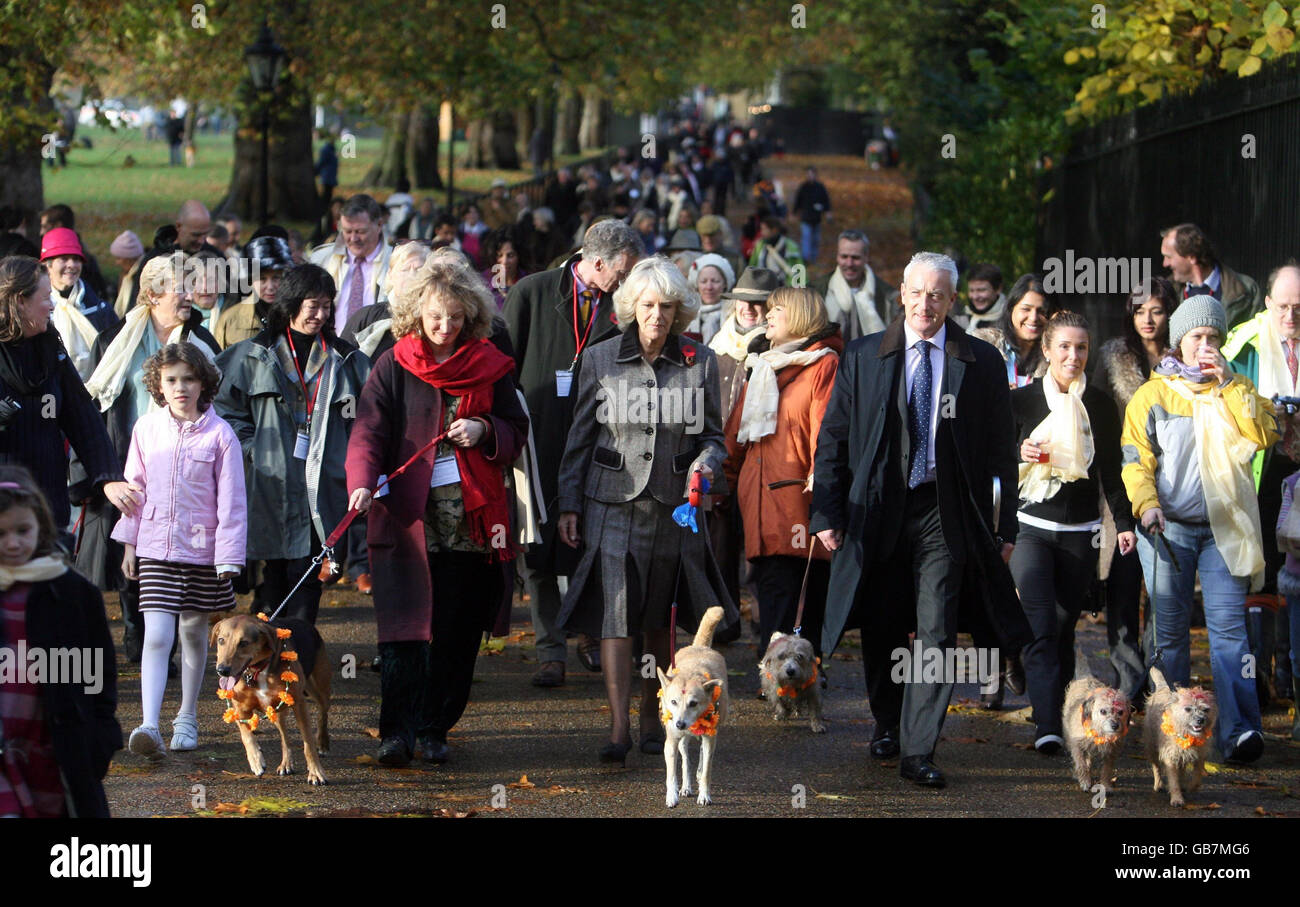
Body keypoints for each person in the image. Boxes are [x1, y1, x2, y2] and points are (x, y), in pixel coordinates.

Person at [811, 251, 1029, 789]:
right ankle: (887, 724)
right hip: (879, 507)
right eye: (916, 292)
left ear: (952, 301)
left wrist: (1006, 528)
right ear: (901, 295)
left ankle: (918, 748)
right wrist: (826, 512)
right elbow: (833, 440)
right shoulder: (864, 356)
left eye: (937, 295)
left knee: (935, 631)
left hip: (944, 511)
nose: (925, 304)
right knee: (883, 622)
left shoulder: (978, 360)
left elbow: (1004, 450)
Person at [345, 250, 528, 766]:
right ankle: (396, 733)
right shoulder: (394, 363)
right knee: (404, 629)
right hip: (408, 520)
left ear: (470, 315)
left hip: (472, 521)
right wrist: (361, 482)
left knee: (457, 628)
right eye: (434, 317)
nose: (444, 327)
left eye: (453, 317)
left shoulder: (491, 365)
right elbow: (369, 430)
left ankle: (434, 726)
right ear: (416, 316)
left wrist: (485, 430)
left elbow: (517, 429)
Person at [554, 255, 737, 762]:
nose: (657, 315)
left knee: (659, 619)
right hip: (609, 503)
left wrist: (704, 464)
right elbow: (579, 440)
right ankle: (617, 731)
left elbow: (714, 439)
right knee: (615, 617)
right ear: (631, 308)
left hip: (675, 506)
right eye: (648, 305)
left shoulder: (699, 360)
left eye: (667, 306)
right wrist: (568, 503)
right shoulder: (600, 359)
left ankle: (655, 718)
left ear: (680, 311)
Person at [1121, 295, 1277, 764]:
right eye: (1196, 337)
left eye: (1213, 337)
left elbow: (1264, 433)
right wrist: (1146, 506)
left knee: (1230, 634)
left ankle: (1240, 733)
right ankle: (1173, 733)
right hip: (1166, 530)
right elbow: (1135, 460)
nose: (1205, 345)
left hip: (1223, 532)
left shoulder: (1238, 389)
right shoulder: (1152, 394)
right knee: (1169, 637)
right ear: (1179, 343)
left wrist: (1229, 383)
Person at [503, 218, 642, 687]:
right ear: (596, 262)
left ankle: (588, 633)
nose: (626, 281)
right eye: (621, 272)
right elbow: (505, 364)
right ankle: (549, 649)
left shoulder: (622, 304)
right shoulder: (531, 292)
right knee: (538, 548)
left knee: (595, 540)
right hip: (538, 441)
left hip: (600, 441)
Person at [78, 252, 221, 661]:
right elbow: (94, 404)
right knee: (128, 547)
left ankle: (168, 644)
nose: (189, 295)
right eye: (181, 287)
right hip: (123, 458)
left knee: (173, 553)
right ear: (154, 293)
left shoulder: (202, 343)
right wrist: (100, 471)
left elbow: (216, 407)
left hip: (183, 464)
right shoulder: (114, 339)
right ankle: (133, 631)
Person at [215, 264, 370, 625]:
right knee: (271, 578)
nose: (320, 315)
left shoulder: (346, 360)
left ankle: (297, 658)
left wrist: (349, 462)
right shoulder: (251, 355)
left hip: (323, 486)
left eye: (327, 306)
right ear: (290, 304)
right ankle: (263, 664)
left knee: (308, 575)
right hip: (267, 484)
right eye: (312, 305)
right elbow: (223, 412)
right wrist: (252, 448)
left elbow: (369, 422)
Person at [112, 343, 245, 758]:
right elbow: (134, 489)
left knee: (192, 632)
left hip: (203, 552)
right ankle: (148, 723)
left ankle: (187, 715)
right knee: (156, 635)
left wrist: (228, 556)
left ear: (203, 382)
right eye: (171, 380)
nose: (180, 387)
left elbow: (232, 501)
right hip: (154, 548)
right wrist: (130, 543)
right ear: (158, 384)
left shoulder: (221, 435)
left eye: (188, 378)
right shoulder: (146, 429)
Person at [1010, 311, 1134, 753]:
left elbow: (1111, 471)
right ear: (1046, 350)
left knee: (1064, 628)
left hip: (1081, 533)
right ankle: (1047, 727)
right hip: (1031, 530)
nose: (1073, 355)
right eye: (1064, 346)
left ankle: (1061, 710)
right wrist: (1015, 450)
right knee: (1041, 628)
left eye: (1081, 347)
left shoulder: (1098, 404)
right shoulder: (1022, 401)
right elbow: (994, 462)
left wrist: (1124, 524)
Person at [724, 287, 841, 658]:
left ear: (802, 316)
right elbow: (736, 435)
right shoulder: (762, 365)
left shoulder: (825, 365)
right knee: (772, 595)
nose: (767, 315)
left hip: (797, 505)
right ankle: (775, 682)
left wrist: (824, 496)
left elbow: (826, 437)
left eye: (777, 310)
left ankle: (796, 685)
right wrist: (718, 482)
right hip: (757, 502)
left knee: (798, 601)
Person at [0, 466, 121, 817]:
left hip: (54, 747)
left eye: (22, 530)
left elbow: (97, 671)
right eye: (1, 533)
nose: (12, 542)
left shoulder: (70, 591)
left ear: (40, 525)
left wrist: (101, 737)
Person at [1093, 277, 1180, 703]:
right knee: (1124, 583)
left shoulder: (1184, 357)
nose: (1147, 318)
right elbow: (1095, 415)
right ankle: (1126, 679)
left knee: (1163, 586)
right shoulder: (1112, 356)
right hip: (1124, 483)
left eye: (1157, 310)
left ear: (1170, 312)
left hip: (1175, 484)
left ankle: (1159, 677)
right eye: (1139, 309)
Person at [0, 257, 122, 541]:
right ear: (20, 301)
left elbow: (83, 418)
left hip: (47, 506)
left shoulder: (50, 349)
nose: (53, 305)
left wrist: (107, 477)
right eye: (46, 298)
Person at [708, 267, 777, 617]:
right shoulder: (715, 348)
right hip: (720, 458)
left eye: (757, 303)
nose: (748, 309)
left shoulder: (778, 350)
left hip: (760, 462)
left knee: (758, 553)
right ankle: (725, 620)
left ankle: (766, 627)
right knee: (720, 549)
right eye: (742, 301)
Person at [39, 227, 118, 379]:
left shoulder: (100, 310)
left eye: (76, 259)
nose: (71, 265)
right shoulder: (37, 310)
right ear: (47, 266)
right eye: (63, 258)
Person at [309, 194, 393, 336]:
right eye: (347, 231)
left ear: (379, 225)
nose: (353, 239)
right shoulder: (321, 260)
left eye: (360, 231)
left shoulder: (397, 263)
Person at [1160, 222, 1261, 330]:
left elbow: (1258, 335)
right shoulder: (1166, 291)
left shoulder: (1246, 288)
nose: (1165, 264)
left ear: (1191, 256)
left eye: (1168, 257)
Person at [971, 273, 1053, 387]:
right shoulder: (982, 347)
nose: (1033, 318)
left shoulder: (1054, 358)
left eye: (1042, 311)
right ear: (1011, 308)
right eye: (1026, 309)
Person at [214, 236, 294, 348]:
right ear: (250, 280)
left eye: (276, 278)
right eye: (262, 279)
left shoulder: (296, 316)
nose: (270, 287)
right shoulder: (230, 320)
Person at [817, 230, 890, 342]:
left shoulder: (887, 296)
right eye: (844, 257)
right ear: (837, 256)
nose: (849, 263)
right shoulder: (819, 291)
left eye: (855, 258)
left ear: (866, 257)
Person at [685, 253, 735, 343]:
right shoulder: (687, 313)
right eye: (703, 281)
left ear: (725, 284)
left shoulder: (733, 313)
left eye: (715, 281)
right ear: (697, 284)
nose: (709, 287)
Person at [791, 166, 832, 264]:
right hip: (806, 218)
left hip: (816, 218)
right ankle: (806, 258)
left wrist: (827, 212)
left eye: (812, 174)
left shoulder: (820, 187)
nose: (810, 176)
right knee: (806, 238)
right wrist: (794, 213)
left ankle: (813, 258)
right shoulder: (803, 187)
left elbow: (826, 201)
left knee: (815, 239)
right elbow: (798, 201)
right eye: (808, 174)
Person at [480, 227, 526, 311]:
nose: (504, 261)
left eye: (510, 255)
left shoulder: (528, 283)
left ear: (519, 256)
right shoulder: (482, 283)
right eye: (499, 255)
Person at [747, 216, 803, 284]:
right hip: (762, 285)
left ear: (774, 230)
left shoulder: (790, 246)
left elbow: (799, 269)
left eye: (764, 229)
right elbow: (752, 266)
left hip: (784, 288)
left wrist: (798, 287)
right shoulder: (760, 245)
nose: (762, 232)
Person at [958, 262, 1007, 332]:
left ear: (998, 289)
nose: (975, 297)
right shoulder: (961, 318)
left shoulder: (1009, 322)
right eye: (971, 290)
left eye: (981, 290)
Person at [109, 230, 145, 320]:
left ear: (129, 258)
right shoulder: (126, 276)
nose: (116, 263)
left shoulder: (142, 277)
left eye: (118, 258)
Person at [315, 132, 339, 210]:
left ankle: (325, 209)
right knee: (326, 195)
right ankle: (323, 210)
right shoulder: (326, 150)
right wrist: (315, 171)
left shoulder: (331, 149)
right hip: (327, 176)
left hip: (330, 176)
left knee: (328, 195)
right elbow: (322, 162)